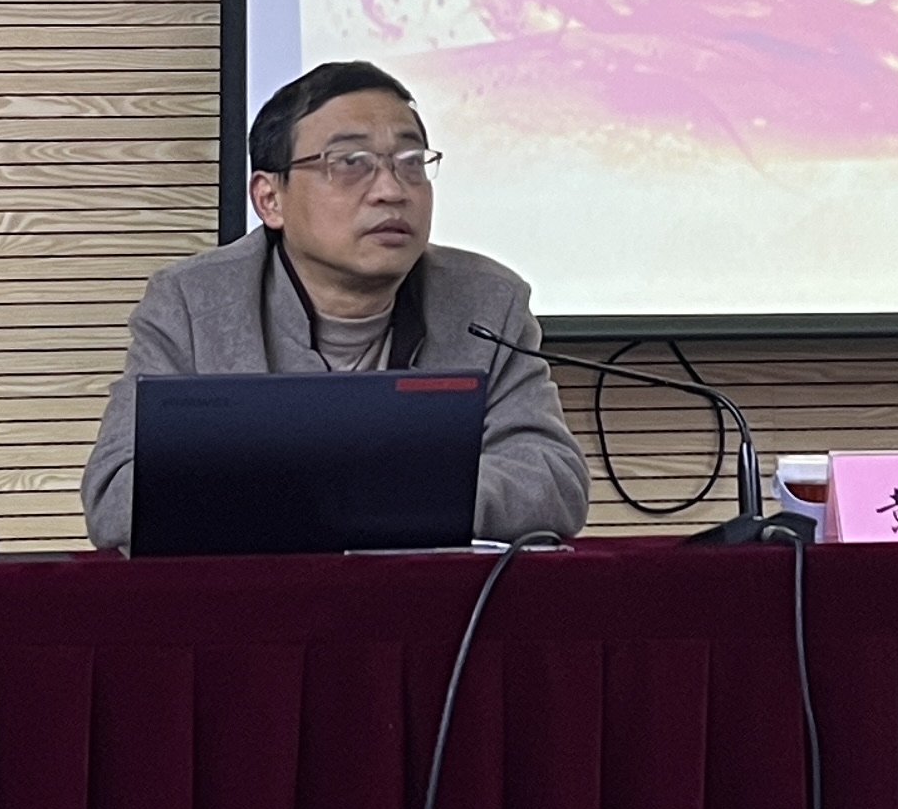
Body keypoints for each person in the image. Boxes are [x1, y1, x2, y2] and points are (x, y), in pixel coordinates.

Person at [79, 62, 590, 550]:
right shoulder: (192, 303)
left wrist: (343, 496)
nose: (391, 190)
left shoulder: (488, 301)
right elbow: (118, 495)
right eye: (350, 163)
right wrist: (386, 495)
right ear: (269, 199)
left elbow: (552, 479)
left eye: (411, 162)